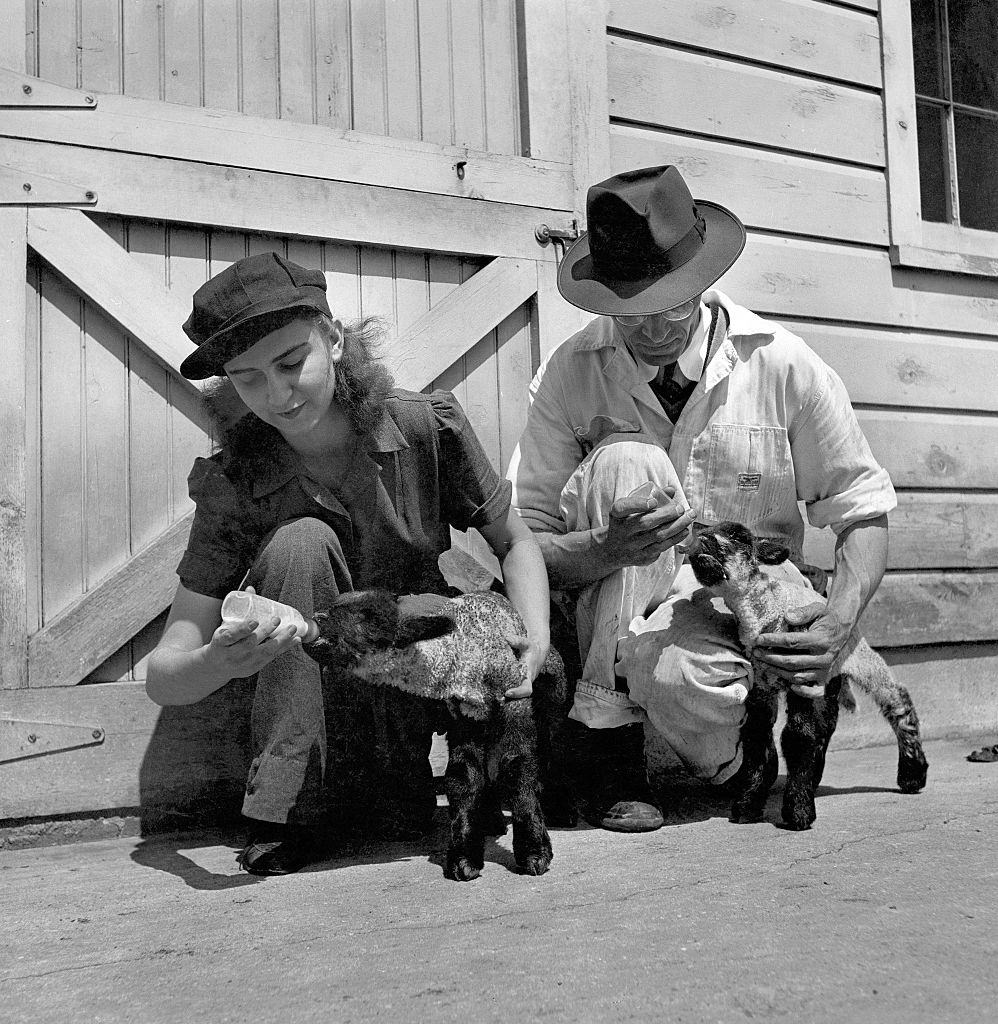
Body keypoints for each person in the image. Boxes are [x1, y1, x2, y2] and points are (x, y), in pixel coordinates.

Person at [507, 165, 895, 832]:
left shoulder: (784, 365)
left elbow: (861, 509)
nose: (654, 331)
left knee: (691, 683)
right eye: (630, 313)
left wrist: (839, 618)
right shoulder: (567, 374)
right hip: (611, 619)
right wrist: (603, 546)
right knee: (627, 458)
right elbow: (524, 542)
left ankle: (732, 751)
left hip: (735, 618)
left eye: (673, 305)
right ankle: (611, 753)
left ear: (704, 281)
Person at [147, 252, 550, 875]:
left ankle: (435, 791)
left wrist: (534, 642)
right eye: (248, 379)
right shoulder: (236, 483)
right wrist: (213, 662)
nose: (277, 395)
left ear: (333, 340)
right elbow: (165, 674)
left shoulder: (423, 427)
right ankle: (289, 812)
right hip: (306, 730)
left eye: (290, 363)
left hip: (419, 702)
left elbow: (516, 543)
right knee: (299, 541)